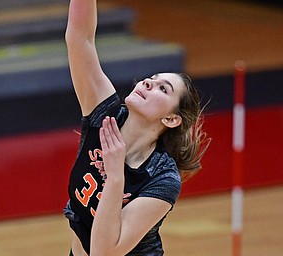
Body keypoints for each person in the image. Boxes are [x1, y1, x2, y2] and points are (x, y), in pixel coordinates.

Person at [63, 1, 211, 255]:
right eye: (151, 80)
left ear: (171, 119)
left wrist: (115, 175)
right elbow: (80, 38)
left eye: (163, 89)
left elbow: (104, 252)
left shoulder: (163, 179)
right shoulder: (104, 115)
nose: (148, 83)